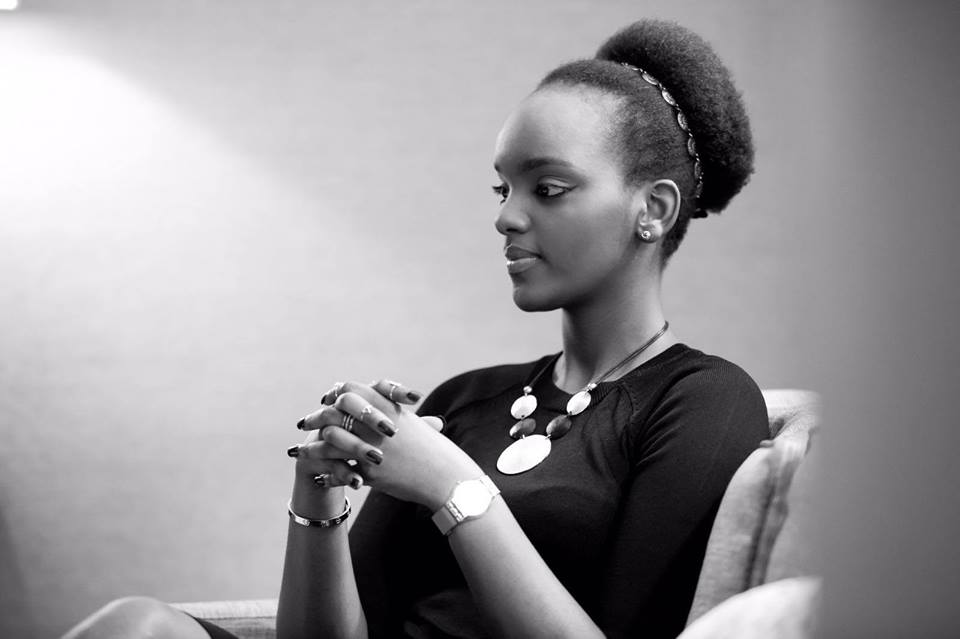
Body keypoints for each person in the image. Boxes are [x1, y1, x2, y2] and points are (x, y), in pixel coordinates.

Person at [64, 18, 768, 639]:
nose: (506, 217)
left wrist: (453, 489)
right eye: (503, 189)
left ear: (654, 210)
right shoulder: (467, 399)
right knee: (136, 624)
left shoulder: (704, 400)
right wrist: (319, 495)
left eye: (548, 189)